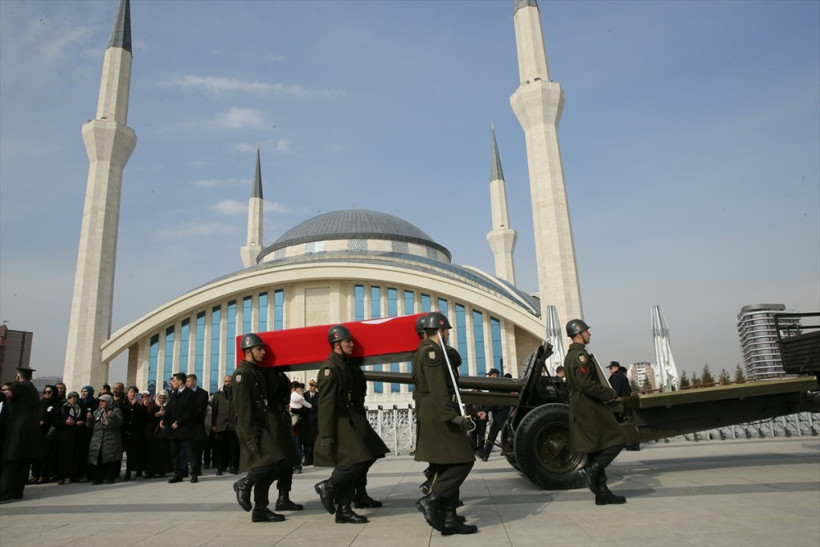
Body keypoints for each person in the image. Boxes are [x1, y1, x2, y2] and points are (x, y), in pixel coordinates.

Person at [313, 325, 388, 524]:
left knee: (369, 454)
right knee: (353, 460)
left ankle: (352, 501)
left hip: (352, 416)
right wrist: (327, 434)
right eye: (348, 342)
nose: (352, 344)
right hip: (339, 419)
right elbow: (326, 403)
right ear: (337, 344)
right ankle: (330, 487)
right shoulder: (330, 368)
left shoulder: (346, 364)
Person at [413, 312, 477, 535]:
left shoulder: (431, 351)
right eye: (447, 331)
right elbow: (438, 388)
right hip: (440, 413)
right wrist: (452, 417)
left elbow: (455, 359)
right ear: (440, 330)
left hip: (435, 411)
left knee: (447, 464)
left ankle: (449, 517)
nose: (449, 335)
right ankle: (432, 499)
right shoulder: (432, 352)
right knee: (463, 460)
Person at [231, 333, 299, 523]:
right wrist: (250, 435)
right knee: (270, 462)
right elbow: (243, 409)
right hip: (253, 426)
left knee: (271, 464)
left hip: (263, 423)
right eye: (259, 349)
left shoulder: (255, 372)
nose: (263, 352)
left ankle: (260, 509)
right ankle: (244, 484)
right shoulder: (242, 374)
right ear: (248, 351)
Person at [564, 319, 627, 505]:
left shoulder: (573, 355)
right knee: (617, 439)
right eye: (586, 332)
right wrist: (609, 393)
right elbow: (585, 384)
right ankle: (592, 470)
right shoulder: (579, 356)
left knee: (595, 447)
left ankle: (602, 492)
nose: (589, 334)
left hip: (581, 403)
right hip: (588, 404)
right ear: (578, 334)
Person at [0, 366, 42, 502]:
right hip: (30, 431)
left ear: (18, 376)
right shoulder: (34, 390)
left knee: (10, 461)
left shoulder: (20, 387)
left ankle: (4, 493)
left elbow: (6, 395)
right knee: (23, 462)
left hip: (17, 429)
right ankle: (17, 492)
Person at [163, 372, 199, 483]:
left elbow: (190, 411)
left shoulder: (190, 394)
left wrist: (179, 422)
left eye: (174, 380)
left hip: (185, 429)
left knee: (190, 453)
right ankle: (177, 474)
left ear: (180, 382)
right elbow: (168, 409)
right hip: (173, 430)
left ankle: (194, 474)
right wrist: (163, 420)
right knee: (174, 453)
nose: (172, 383)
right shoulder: (174, 394)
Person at [86, 393, 124, 484]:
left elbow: (119, 423)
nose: (101, 402)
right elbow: (89, 426)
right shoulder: (96, 412)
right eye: (100, 401)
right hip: (97, 439)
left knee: (109, 459)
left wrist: (113, 417)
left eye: (104, 401)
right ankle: (97, 478)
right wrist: (89, 419)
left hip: (110, 438)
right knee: (97, 459)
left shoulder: (116, 410)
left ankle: (109, 477)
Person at [52, 391, 87, 485]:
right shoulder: (62, 408)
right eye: (71, 397)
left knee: (76, 456)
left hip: (77, 436)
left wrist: (82, 423)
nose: (73, 399)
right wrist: (65, 423)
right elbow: (56, 422)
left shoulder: (81, 408)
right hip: (65, 437)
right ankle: (61, 476)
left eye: (75, 397)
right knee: (63, 457)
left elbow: (85, 420)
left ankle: (74, 476)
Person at [477, 369, 510, 462]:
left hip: (501, 413)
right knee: (500, 434)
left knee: (494, 434)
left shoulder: (497, 386)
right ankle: (485, 455)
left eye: (490, 375)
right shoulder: (496, 385)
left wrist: (485, 411)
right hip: (498, 414)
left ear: (495, 375)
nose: (489, 377)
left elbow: (493, 402)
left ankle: (485, 455)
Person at [212, 375, 239, 475]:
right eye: (226, 381)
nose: (227, 383)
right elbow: (214, 410)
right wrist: (213, 424)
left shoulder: (236, 393)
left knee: (233, 447)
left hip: (233, 425)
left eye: (229, 381)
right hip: (221, 425)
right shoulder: (218, 395)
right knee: (220, 448)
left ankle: (233, 466)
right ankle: (220, 467)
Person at [186, 374, 209, 478]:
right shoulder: (184, 393)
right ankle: (193, 470)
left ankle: (197, 469)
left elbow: (201, 409)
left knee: (198, 449)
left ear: (194, 382)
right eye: (186, 381)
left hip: (198, 425)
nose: (187, 383)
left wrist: (188, 416)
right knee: (190, 450)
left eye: (189, 381)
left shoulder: (203, 393)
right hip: (187, 426)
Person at [123, 385, 148, 480]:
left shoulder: (139, 405)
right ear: (127, 393)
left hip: (137, 433)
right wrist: (131, 405)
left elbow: (145, 418)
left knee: (137, 452)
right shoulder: (124, 403)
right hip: (127, 432)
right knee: (129, 453)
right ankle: (128, 472)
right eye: (131, 392)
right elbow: (124, 412)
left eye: (135, 393)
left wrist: (141, 406)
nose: (133, 394)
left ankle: (138, 470)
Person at [302, 379, 319, 466]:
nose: (311, 387)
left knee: (314, 442)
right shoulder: (305, 395)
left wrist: (315, 417)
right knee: (306, 442)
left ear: (316, 387)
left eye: (313, 386)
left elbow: (319, 409)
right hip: (306, 422)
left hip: (315, 423)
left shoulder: (319, 396)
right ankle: (307, 459)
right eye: (310, 386)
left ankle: (313, 459)